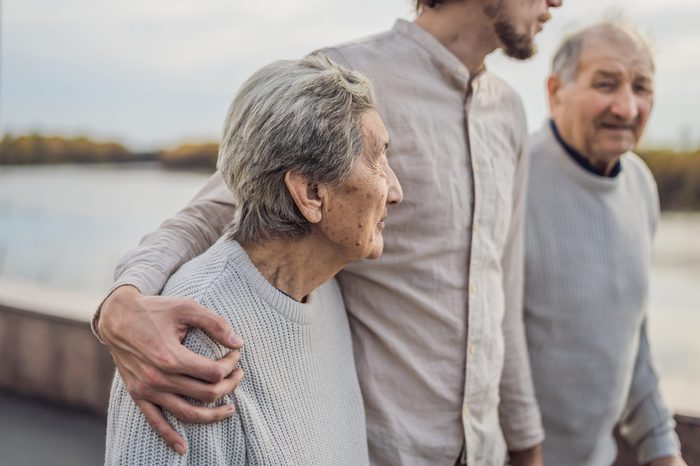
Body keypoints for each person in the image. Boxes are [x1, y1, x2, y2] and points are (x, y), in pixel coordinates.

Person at [95, 0, 562, 464]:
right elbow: (218, 210)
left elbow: (501, 293)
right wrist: (123, 301)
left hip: (485, 451)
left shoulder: (510, 113)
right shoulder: (342, 80)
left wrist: (524, 443)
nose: (556, 3)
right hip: (378, 450)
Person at [105, 54, 402, 465]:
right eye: (378, 159)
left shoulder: (322, 292)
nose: (395, 190)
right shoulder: (194, 344)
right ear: (311, 193)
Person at [524, 22, 687, 466]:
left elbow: (631, 340)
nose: (627, 107)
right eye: (605, 84)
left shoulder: (641, 185)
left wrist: (662, 449)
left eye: (641, 87)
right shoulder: (515, 179)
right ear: (556, 91)